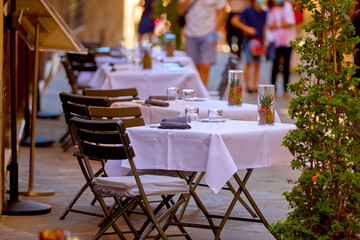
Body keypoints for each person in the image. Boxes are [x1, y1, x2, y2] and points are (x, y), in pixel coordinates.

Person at [179, 0, 227, 86]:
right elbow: (180, 10)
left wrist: (215, 30)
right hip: (191, 32)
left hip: (209, 32)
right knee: (193, 66)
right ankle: (195, 91)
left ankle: (202, 94)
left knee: (205, 66)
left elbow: (221, 12)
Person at [231, 0, 267, 93]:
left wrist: (265, 42)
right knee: (248, 63)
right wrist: (247, 29)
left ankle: (255, 87)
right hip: (249, 41)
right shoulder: (248, 10)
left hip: (259, 42)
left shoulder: (263, 12)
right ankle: (247, 87)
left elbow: (264, 27)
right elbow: (234, 20)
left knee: (257, 64)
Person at [267, 0, 296, 99]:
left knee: (286, 66)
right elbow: (269, 25)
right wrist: (280, 24)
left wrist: (277, 25)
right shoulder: (269, 9)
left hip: (288, 41)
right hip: (275, 42)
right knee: (275, 66)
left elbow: (291, 22)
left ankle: (285, 90)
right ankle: (273, 90)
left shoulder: (287, 6)